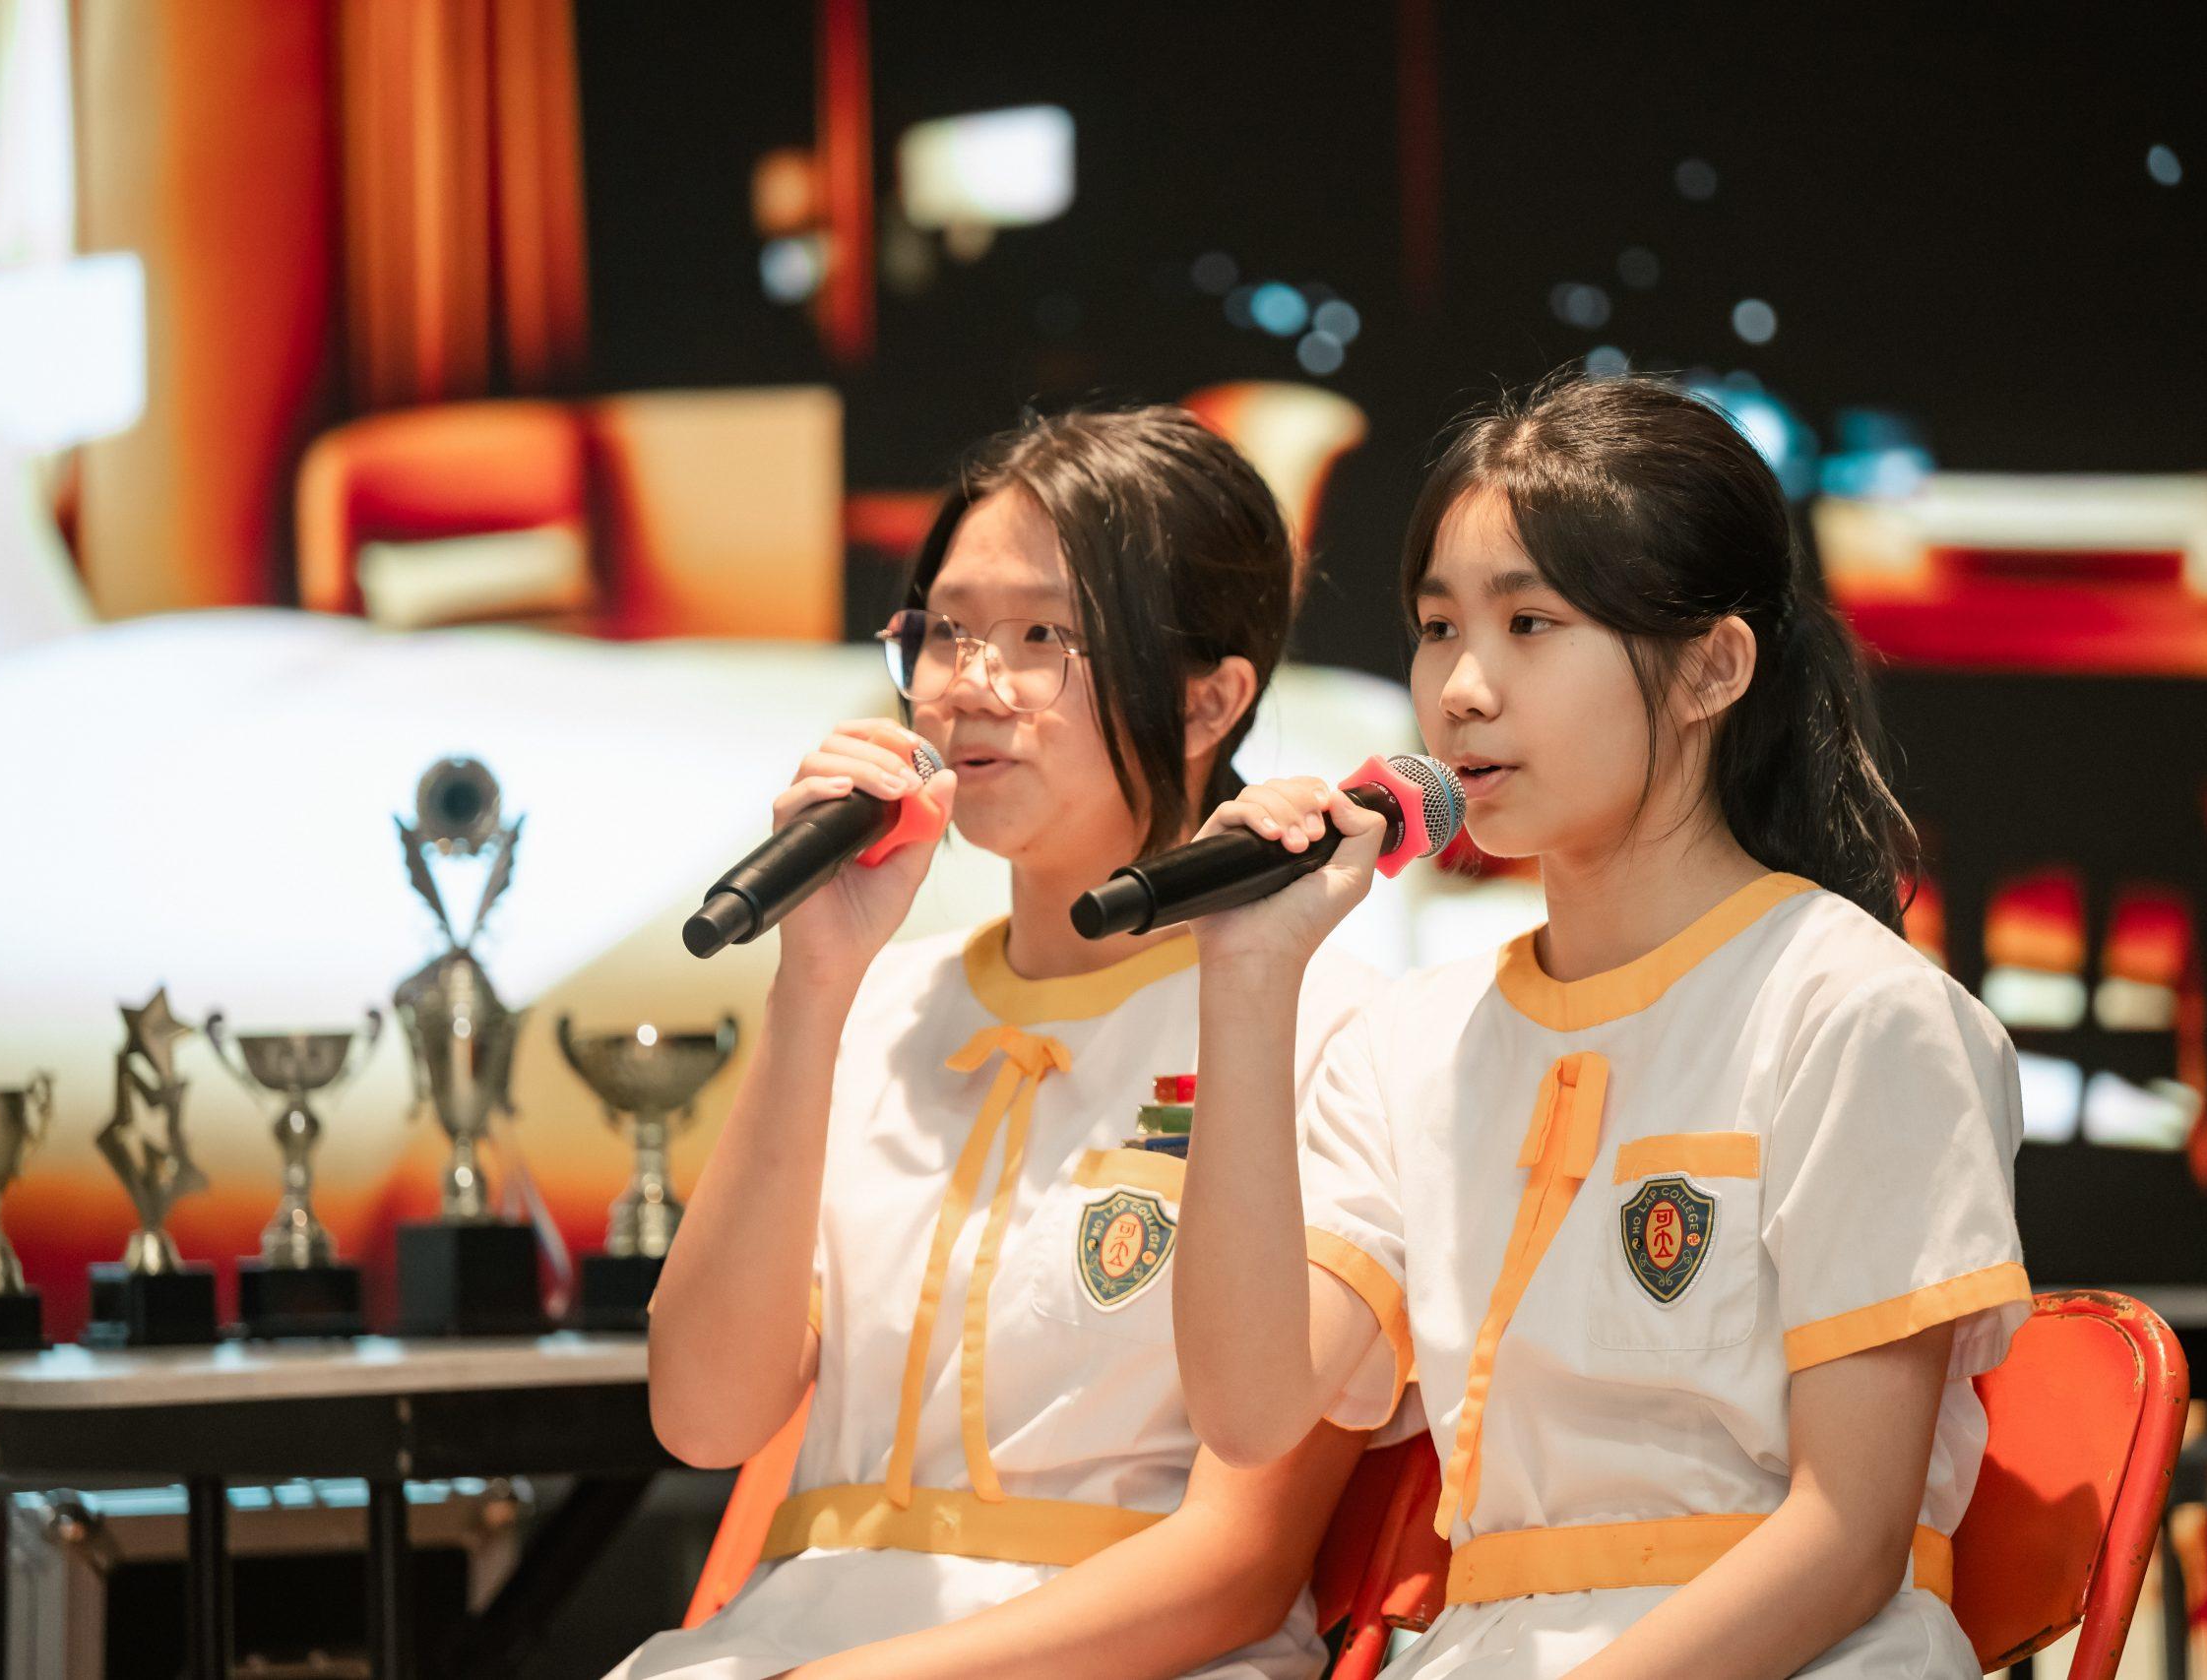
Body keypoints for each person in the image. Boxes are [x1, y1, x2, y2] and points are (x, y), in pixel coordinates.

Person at [1171, 373, 2031, 1679]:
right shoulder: (1407, 1045)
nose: (1462, 689)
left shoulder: (1854, 1009)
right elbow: (1249, 1412)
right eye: (1438, 626)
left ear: (1711, 668)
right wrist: (1246, 980)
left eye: (1530, 623)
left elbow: (1848, 1537)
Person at [611, 406, 1379, 1680]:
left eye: (1041, 639)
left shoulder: (1322, 1025)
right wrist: (813, 981)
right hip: (789, 1639)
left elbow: (1238, 1567)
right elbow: (702, 1417)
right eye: (944, 630)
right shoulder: (879, 1003)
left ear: (1208, 699)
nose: (969, 683)